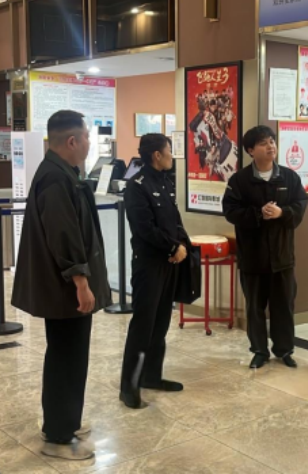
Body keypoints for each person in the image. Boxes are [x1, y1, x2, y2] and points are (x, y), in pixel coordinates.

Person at [12, 110, 111, 461]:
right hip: (65, 289)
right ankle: (57, 436)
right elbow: (63, 235)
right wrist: (81, 282)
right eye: (86, 137)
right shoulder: (55, 178)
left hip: (65, 286)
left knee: (69, 355)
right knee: (66, 358)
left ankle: (64, 421)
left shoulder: (63, 172)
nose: (88, 142)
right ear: (72, 141)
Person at [223, 126, 308, 369]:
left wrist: (283, 212)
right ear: (251, 150)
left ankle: (284, 350)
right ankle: (259, 351)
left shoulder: (289, 178)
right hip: (252, 257)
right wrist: (258, 214)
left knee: (284, 306)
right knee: (255, 308)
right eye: (263, 143)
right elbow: (230, 211)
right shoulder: (239, 180)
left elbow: (301, 204)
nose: (271, 146)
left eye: (272, 141)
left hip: (282, 257)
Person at [120, 133, 190, 409]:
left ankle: (151, 376)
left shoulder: (165, 181)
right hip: (148, 264)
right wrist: (173, 247)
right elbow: (144, 228)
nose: (172, 155)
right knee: (143, 325)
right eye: (169, 150)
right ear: (157, 155)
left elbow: (175, 220)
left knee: (160, 323)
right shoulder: (136, 186)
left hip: (169, 263)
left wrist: (182, 244)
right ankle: (129, 386)